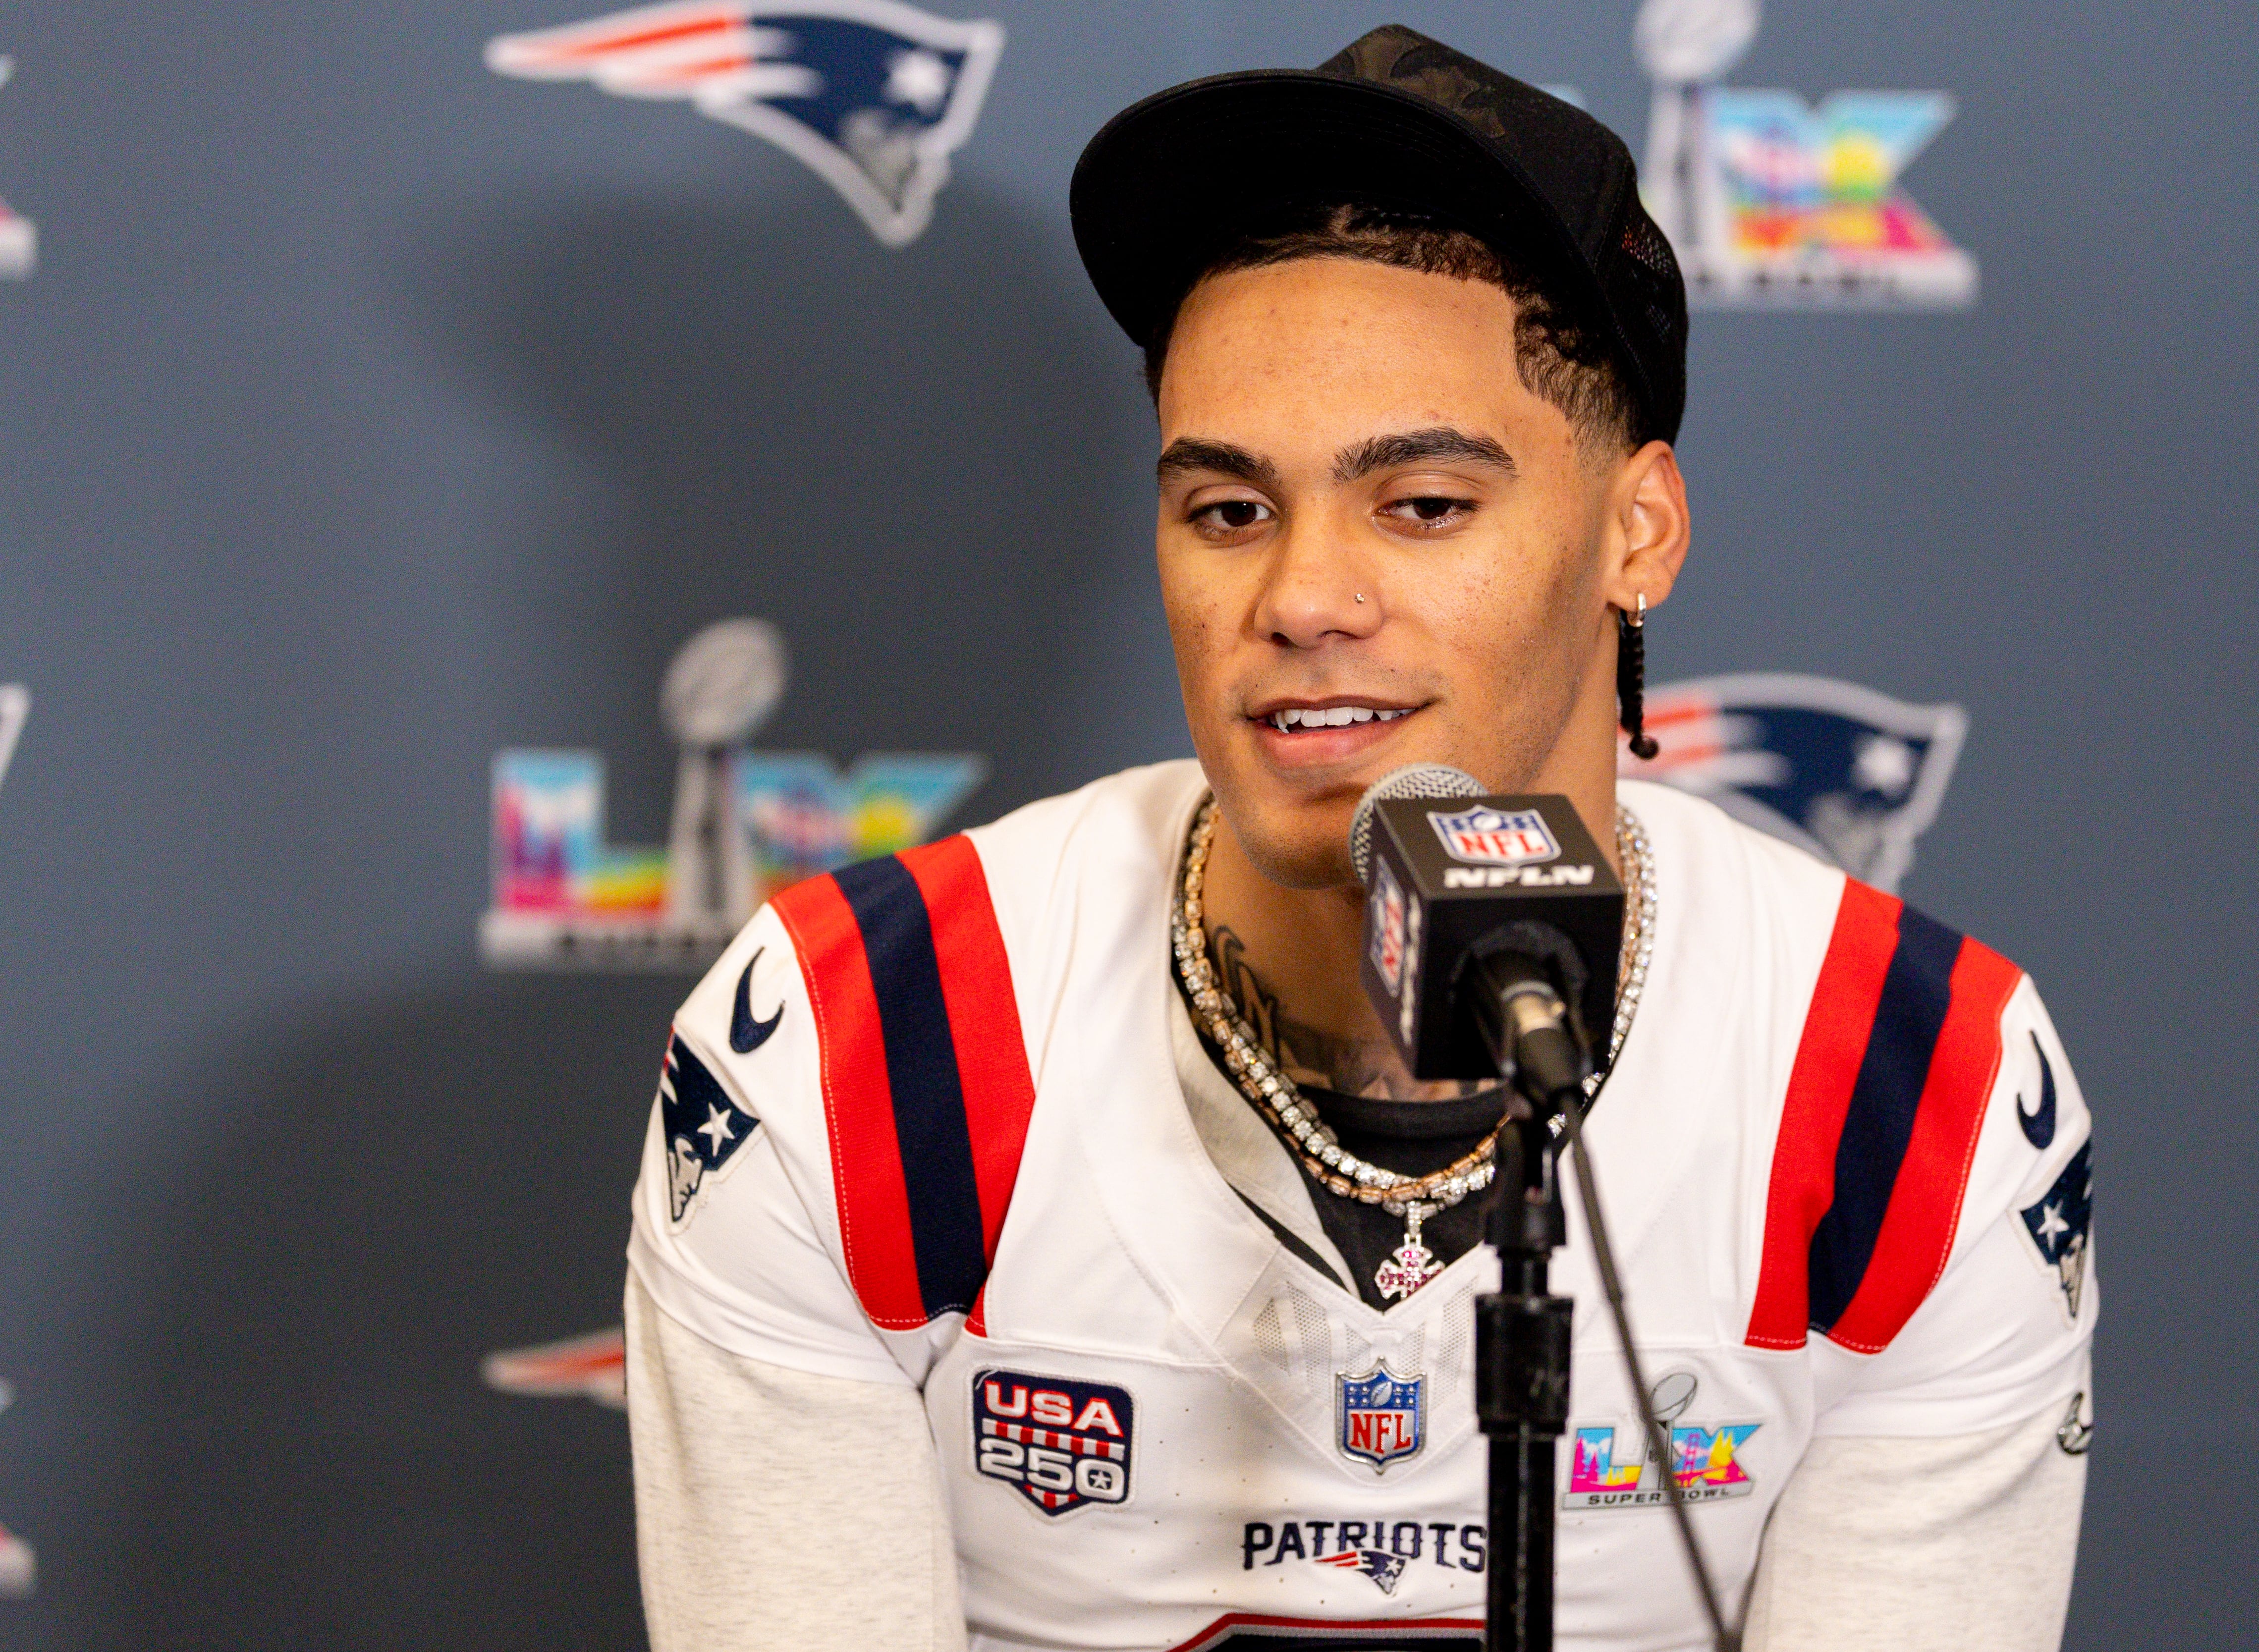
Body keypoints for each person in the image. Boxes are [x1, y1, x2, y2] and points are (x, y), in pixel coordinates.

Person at [622, 25, 2097, 1652]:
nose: (1303, 600)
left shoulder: (1916, 1087)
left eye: (1425, 505)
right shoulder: (856, 1038)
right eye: (1230, 511)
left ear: (1639, 531)